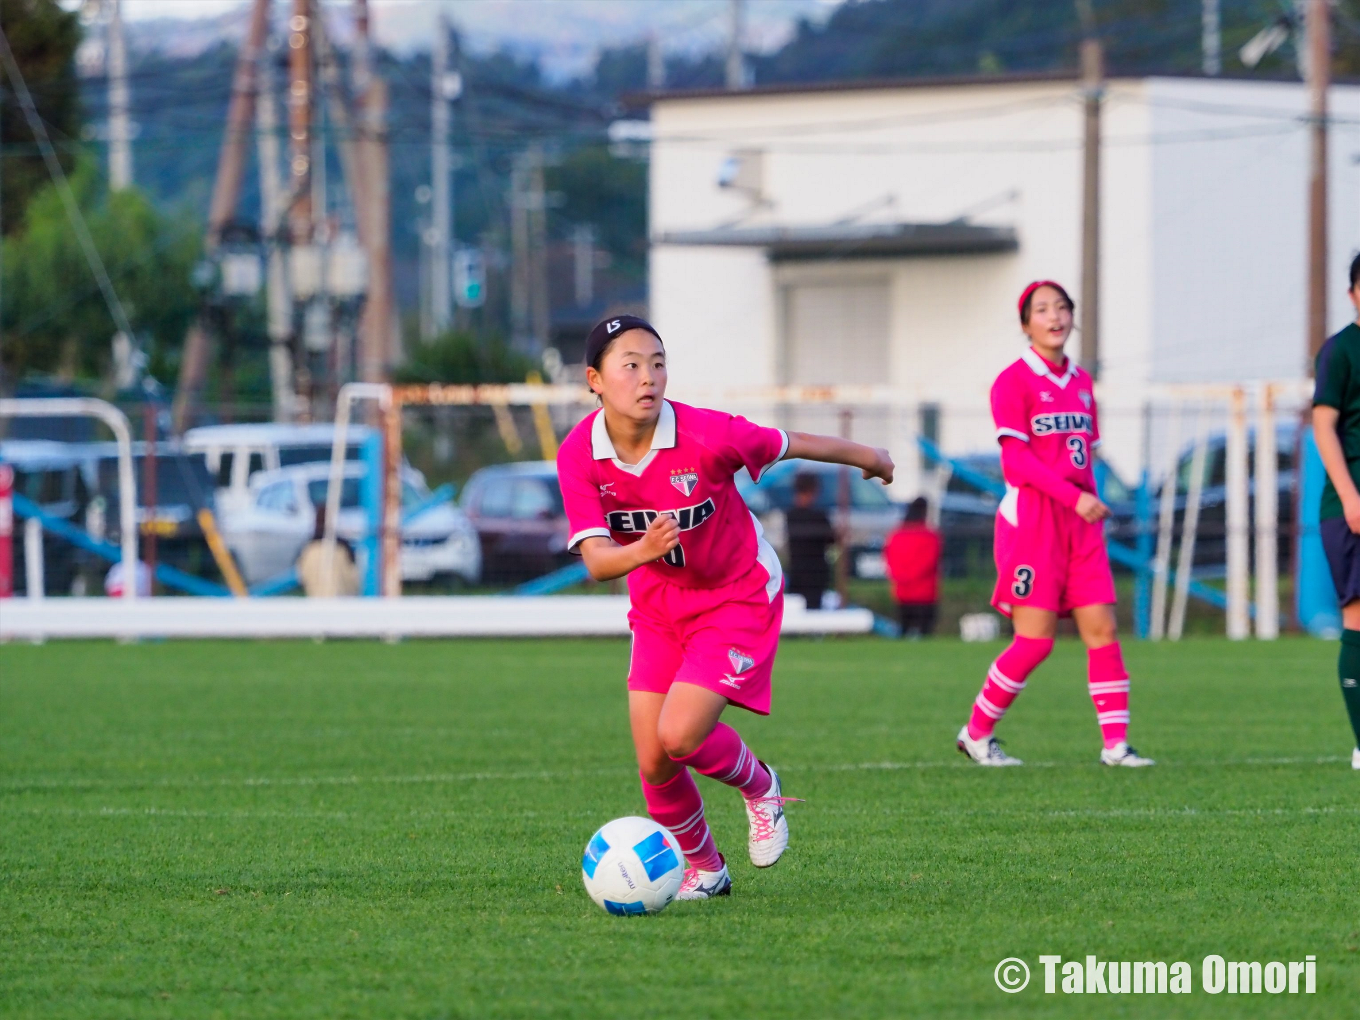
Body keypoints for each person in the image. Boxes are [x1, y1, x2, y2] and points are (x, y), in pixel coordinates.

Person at [558, 314, 894, 899]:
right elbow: (595, 560)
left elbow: (791, 443)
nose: (648, 377)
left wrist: (870, 457)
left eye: (657, 363)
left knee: (682, 736)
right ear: (595, 379)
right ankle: (707, 870)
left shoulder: (707, 433)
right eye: (630, 365)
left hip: (736, 594)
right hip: (660, 605)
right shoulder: (579, 455)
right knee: (653, 761)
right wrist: (645, 549)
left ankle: (761, 786)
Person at [955, 281, 1154, 768]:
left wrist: (1088, 501)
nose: (1055, 316)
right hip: (1034, 522)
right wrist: (1074, 497)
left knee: (1103, 629)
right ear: (1026, 324)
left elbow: (1083, 453)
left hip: (1080, 523)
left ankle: (1116, 746)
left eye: (1062, 307)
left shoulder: (1082, 382)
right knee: (1035, 640)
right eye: (1042, 309)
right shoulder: (1013, 381)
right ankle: (976, 733)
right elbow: (1016, 464)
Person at [1309, 252, 1360, 772]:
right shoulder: (1341, 351)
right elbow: (1324, 425)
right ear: (1352, 294)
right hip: (1352, 504)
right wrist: (1350, 496)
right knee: (1358, 617)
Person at [883, 497, 942, 637]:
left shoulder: (896, 536)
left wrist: (902, 577)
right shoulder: (930, 536)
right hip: (924, 594)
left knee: (903, 632)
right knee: (925, 633)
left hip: (902, 592)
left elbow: (889, 560)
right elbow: (930, 561)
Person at [785, 471, 835, 610]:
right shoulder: (819, 516)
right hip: (816, 573)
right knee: (814, 609)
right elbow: (832, 539)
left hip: (796, 570)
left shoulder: (790, 516)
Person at [296, 504, 359, 597]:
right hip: (341, 602)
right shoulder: (341, 549)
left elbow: (301, 576)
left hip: (316, 601)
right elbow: (353, 578)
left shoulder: (308, 550)